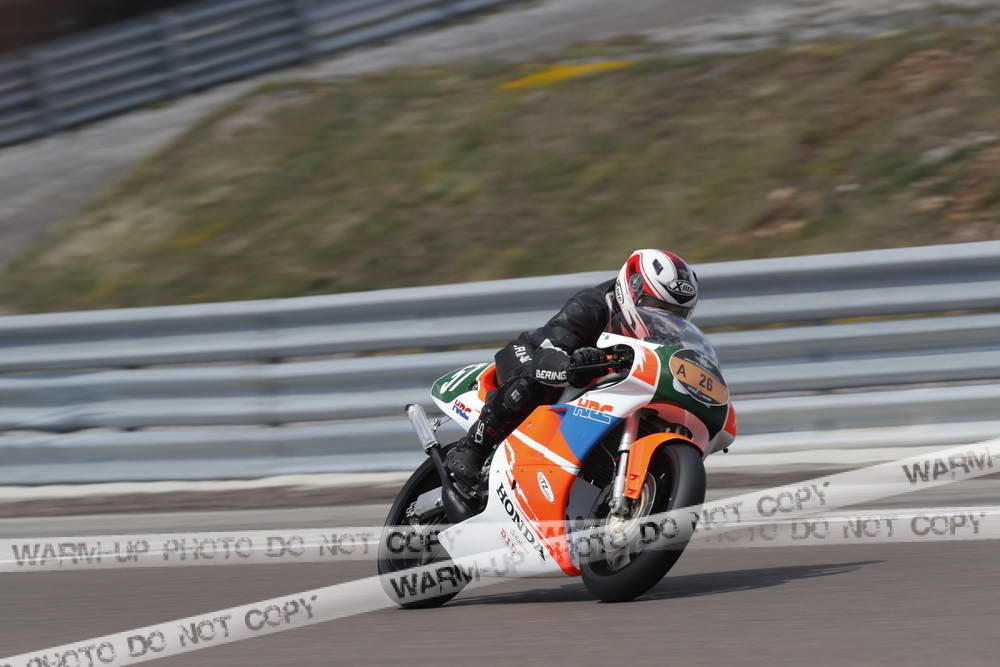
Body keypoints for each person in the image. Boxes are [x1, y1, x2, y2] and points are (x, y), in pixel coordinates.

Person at [444, 248, 700, 486]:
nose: (664, 320)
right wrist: (572, 364)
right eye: (659, 308)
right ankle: (473, 446)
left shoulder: (666, 339)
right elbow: (550, 348)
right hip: (536, 356)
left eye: (676, 315)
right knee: (535, 380)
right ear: (632, 290)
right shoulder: (590, 306)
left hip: (589, 388)